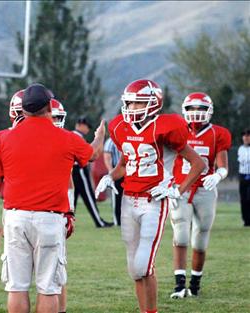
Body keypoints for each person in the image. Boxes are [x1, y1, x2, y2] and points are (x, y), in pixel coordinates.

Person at [0, 83, 105, 313]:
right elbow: (93, 155)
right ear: (49, 107)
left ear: (23, 110)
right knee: (48, 288)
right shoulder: (66, 138)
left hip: (15, 217)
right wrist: (99, 137)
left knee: (17, 287)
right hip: (49, 219)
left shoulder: (3, 139)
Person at [95, 79, 205, 313]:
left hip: (153, 202)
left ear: (154, 103)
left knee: (144, 264)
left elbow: (198, 163)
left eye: (138, 104)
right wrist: (109, 176)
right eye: (130, 104)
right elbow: (125, 164)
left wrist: (177, 189)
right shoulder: (120, 127)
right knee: (135, 269)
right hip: (128, 201)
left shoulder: (165, 127)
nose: (132, 109)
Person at [169, 92, 232, 299]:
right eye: (192, 109)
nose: (196, 113)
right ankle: (179, 285)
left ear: (209, 111)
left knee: (201, 238)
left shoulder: (218, 134)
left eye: (201, 109)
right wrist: (167, 183)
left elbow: (223, 165)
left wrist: (218, 175)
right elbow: (166, 160)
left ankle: (195, 284)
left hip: (205, 188)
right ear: (184, 111)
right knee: (181, 234)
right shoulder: (176, 131)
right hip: (181, 187)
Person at [51, 98, 75, 313]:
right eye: (53, 116)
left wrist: (70, 211)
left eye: (59, 117)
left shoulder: (64, 140)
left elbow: (68, 179)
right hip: (24, 210)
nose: (56, 121)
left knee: (57, 269)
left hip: (54, 213)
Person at [72, 116, 113, 228]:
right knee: (88, 195)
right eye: (87, 127)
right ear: (80, 125)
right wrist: (99, 137)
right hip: (78, 169)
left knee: (73, 197)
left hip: (75, 169)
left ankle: (69, 221)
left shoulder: (75, 135)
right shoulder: (77, 136)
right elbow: (92, 155)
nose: (88, 129)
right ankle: (98, 222)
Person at [103, 136, 123, 225]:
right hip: (117, 171)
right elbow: (107, 156)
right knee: (117, 197)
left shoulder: (126, 138)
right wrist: (111, 172)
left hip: (128, 171)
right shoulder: (111, 141)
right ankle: (117, 221)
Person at [238, 128, 250, 227]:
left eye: (248, 135)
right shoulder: (240, 149)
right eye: (244, 135)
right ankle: (246, 220)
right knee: (243, 199)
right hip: (242, 176)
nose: (246, 137)